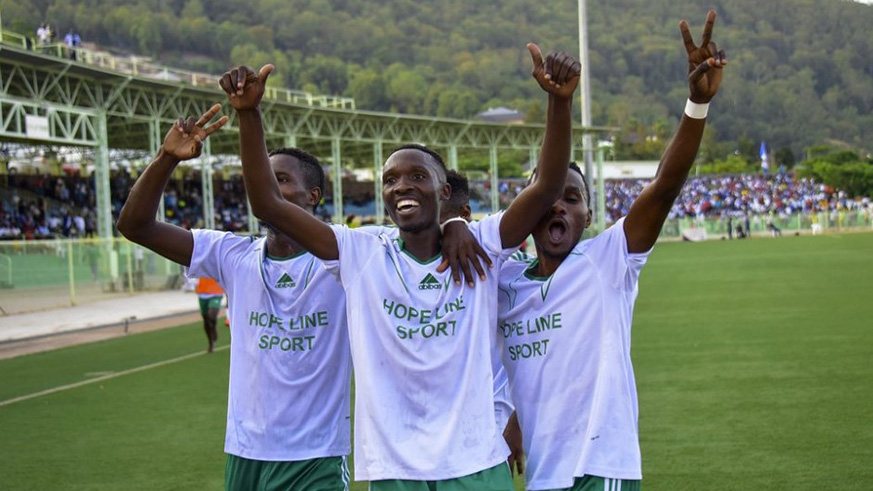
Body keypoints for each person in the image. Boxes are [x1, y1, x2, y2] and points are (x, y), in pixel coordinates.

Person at [220, 41, 579, 489]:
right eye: (390, 179)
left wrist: (558, 103)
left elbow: (545, 188)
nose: (401, 186)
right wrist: (248, 116)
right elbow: (269, 205)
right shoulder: (362, 252)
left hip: (474, 464)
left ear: (443, 191)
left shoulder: (482, 244)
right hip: (393, 472)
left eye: (416, 176)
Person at [117, 106, 485, 490]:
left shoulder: (352, 256)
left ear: (313, 195)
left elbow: (416, 223)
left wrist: (454, 222)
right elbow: (134, 225)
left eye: (281, 180)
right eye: (263, 179)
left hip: (317, 456)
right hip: (247, 451)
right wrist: (166, 158)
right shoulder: (231, 255)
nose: (268, 187)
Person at [497, 12, 726, 491]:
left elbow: (663, 187)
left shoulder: (606, 261)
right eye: (547, 195)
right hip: (543, 475)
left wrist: (696, 106)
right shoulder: (507, 282)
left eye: (573, 198)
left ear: (589, 214)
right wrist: (517, 418)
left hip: (598, 469)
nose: (558, 205)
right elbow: (540, 367)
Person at [194, 276, 223, 352]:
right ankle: (210, 342)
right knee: (206, 320)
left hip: (216, 292)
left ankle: (213, 328)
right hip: (202, 293)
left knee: (212, 317)